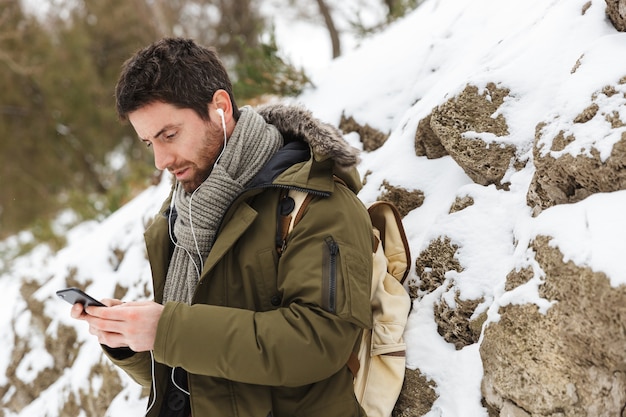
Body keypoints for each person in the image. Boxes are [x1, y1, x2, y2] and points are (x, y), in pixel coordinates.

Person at [70, 37, 373, 417]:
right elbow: (192, 375)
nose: (161, 161)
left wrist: (167, 331)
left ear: (220, 108)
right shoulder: (184, 217)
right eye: (149, 143)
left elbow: (319, 344)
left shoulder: (313, 203)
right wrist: (132, 341)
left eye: (169, 134)